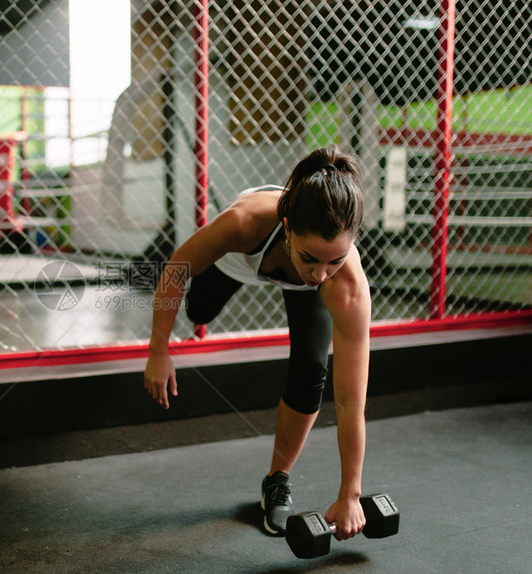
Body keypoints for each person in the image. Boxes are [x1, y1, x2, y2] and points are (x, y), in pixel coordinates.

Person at [143, 146, 371, 539]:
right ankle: (211, 304)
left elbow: (351, 402)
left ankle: (277, 480)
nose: (320, 274)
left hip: (289, 272)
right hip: (236, 261)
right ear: (288, 227)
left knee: (312, 372)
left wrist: (350, 494)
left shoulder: (342, 281)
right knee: (198, 311)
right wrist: (158, 349)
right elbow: (175, 270)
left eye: (334, 260)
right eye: (312, 257)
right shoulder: (243, 223)